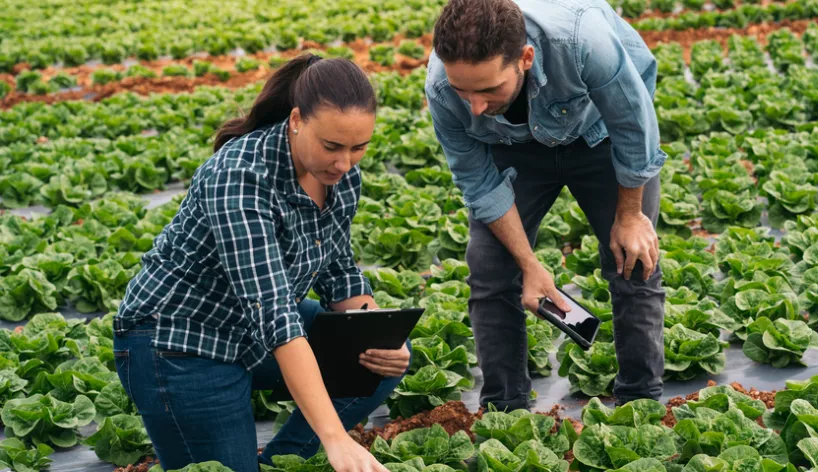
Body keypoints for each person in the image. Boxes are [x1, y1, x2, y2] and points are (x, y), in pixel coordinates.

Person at [113, 54, 407, 472]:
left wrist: (378, 330)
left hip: (251, 331)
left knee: (379, 351)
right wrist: (334, 437)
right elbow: (274, 314)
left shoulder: (339, 177)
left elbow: (339, 272)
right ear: (296, 121)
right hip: (181, 342)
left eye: (358, 147)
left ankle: (280, 463)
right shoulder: (239, 176)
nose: (344, 163)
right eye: (332, 146)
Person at [426, 0, 666, 411]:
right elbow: (479, 183)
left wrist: (629, 215)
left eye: (487, 89)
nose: (475, 106)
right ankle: (505, 411)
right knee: (490, 268)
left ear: (525, 58)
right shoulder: (440, 87)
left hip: (599, 135)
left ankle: (640, 402)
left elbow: (632, 122)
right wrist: (528, 264)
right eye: (463, 90)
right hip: (512, 148)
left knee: (633, 259)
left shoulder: (581, 41)